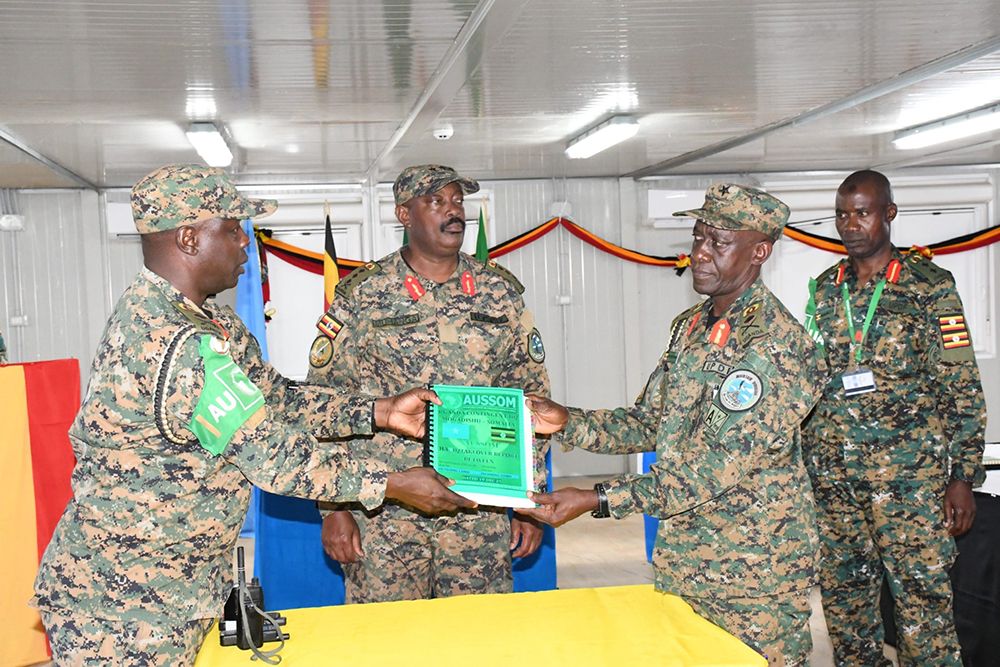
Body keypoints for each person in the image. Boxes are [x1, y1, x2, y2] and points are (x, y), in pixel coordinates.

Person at [29, 164, 473, 666]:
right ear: (190, 238)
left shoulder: (206, 318)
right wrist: (393, 483)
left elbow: (277, 398)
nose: (246, 242)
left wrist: (381, 411)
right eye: (233, 228)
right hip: (123, 602)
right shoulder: (175, 342)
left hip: (171, 583)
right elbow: (277, 459)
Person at [522, 183, 826, 667]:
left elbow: (710, 470)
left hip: (753, 574)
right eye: (698, 237)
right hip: (688, 560)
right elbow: (651, 422)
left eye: (719, 242)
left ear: (759, 251)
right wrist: (565, 422)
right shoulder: (692, 326)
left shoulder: (776, 346)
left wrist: (598, 498)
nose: (700, 253)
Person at [309, 164, 551, 602]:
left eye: (457, 201)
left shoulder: (500, 293)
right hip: (386, 510)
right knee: (388, 641)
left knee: (478, 639)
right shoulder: (363, 295)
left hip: (481, 507)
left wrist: (528, 500)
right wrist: (335, 507)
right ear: (404, 214)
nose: (453, 212)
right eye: (436, 202)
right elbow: (328, 403)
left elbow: (532, 403)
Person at [800, 170, 986, 666]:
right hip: (834, 480)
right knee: (845, 606)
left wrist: (963, 476)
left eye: (862, 212)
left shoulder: (929, 286)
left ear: (889, 214)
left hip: (907, 481)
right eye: (842, 214)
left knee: (922, 607)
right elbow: (809, 380)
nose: (850, 224)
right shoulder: (823, 289)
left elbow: (961, 387)